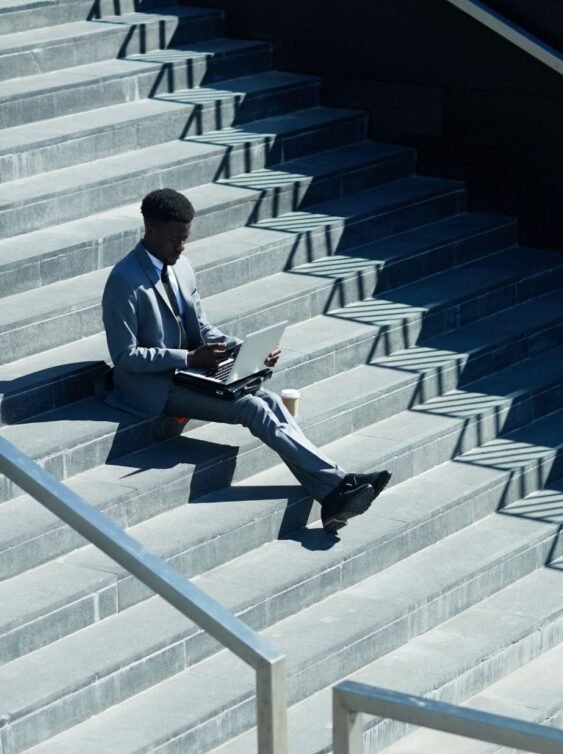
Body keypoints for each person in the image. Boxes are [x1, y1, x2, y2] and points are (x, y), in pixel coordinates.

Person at [101, 188, 389, 533]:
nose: (182, 247)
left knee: (266, 397)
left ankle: (333, 491)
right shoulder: (124, 281)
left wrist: (241, 349)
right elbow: (124, 356)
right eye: (176, 239)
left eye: (186, 239)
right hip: (154, 385)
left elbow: (202, 325)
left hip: (194, 371)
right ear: (151, 231)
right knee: (251, 407)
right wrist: (188, 356)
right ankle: (340, 484)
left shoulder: (182, 267)